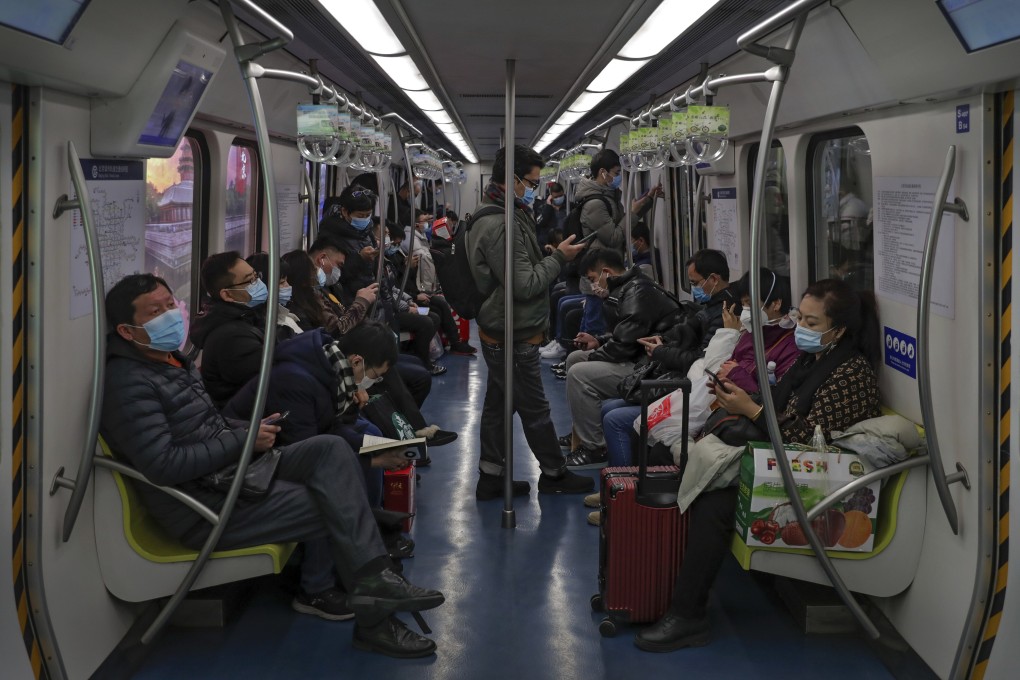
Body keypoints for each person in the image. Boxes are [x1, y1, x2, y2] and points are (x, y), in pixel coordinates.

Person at [101, 273, 445, 658]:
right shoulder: (128, 383)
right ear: (127, 331)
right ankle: (376, 617)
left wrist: (248, 430)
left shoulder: (170, 363)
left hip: (228, 476)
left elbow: (208, 425)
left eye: (169, 305)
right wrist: (242, 441)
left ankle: (375, 579)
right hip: (202, 505)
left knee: (330, 449)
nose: (169, 315)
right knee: (334, 502)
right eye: (155, 312)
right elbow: (163, 465)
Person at [635, 278, 882, 652]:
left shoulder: (852, 374)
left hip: (821, 482)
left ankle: (687, 615)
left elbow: (809, 440)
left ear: (840, 329)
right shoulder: (811, 360)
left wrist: (750, 409)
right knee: (677, 459)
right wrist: (741, 399)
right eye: (801, 318)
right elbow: (781, 411)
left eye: (813, 324)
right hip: (785, 463)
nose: (802, 328)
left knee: (715, 501)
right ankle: (659, 588)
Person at [466, 145, 593, 499]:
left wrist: (549, 255)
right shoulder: (502, 223)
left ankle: (491, 475)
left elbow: (516, 268)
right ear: (512, 180)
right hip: (513, 330)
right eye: (532, 182)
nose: (535, 188)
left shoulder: (510, 212)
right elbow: (524, 286)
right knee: (534, 408)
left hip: (503, 325)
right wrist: (560, 261)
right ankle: (553, 473)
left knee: (498, 404)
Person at [562, 248, 682, 468]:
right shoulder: (628, 288)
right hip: (641, 359)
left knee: (578, 374)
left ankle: (594, 447)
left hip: (652, 367)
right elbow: (628, 333)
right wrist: (598, 341)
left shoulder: (637, 292)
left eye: (592, 279)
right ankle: (581, 433)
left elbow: (624, 346)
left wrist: (597, 353)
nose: (592, 285)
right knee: (575, 358)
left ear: (606, 272)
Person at [640, 249, 734, 377]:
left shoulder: (725, 313)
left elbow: (700, 358)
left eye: (695, 283)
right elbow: (688, 329)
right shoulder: (711, 305)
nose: (693, 289)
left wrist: (661, 352)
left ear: (713, 279)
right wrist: (664, 339)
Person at [386, 222, 475, 355]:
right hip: (404, 307)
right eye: (395, 244)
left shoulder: (396, 256)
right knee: (432, 315)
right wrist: (414, 298)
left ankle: (455, 343)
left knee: (441, 304)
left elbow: (404, 285)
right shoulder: (387, 263)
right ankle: (424, 356)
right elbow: (397, 286)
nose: (397, 247)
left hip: (410, 299)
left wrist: (414, 293)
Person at [573, 149, 626, 337]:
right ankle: (584, 363)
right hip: (599, 275)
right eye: (616, 173)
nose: (619, 178)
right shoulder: (595, 203)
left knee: (592, 321)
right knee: (594, 327)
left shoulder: (609, 196)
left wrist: (646, 202)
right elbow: (613, 237)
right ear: (603, 172)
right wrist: (634, 213)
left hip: (603, 273)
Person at [318, 184, 381, 307]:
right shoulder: (330, 234)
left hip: (372, 296)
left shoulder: (368, 231)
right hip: (349, 301)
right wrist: (359, 258)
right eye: (360, 216)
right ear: (345, 211)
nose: (365, 219)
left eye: (368, 215)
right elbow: (331, 275)